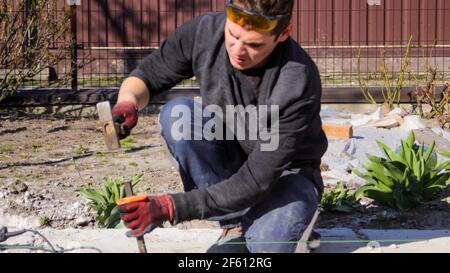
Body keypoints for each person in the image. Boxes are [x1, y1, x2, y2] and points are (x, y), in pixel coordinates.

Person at [112, 0, 328, 253]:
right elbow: (149, 75)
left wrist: (170, 207)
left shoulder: (296, 81)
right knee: (179, 116)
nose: (238, 50)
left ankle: (295, 225)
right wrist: (127, 102)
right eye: (233, 35)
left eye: (254, 45)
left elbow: (256, 180)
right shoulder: (205, 33)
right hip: (234, 154)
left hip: (286, 175)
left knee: (268, 247)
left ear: (283, 34)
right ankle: (234, 222)